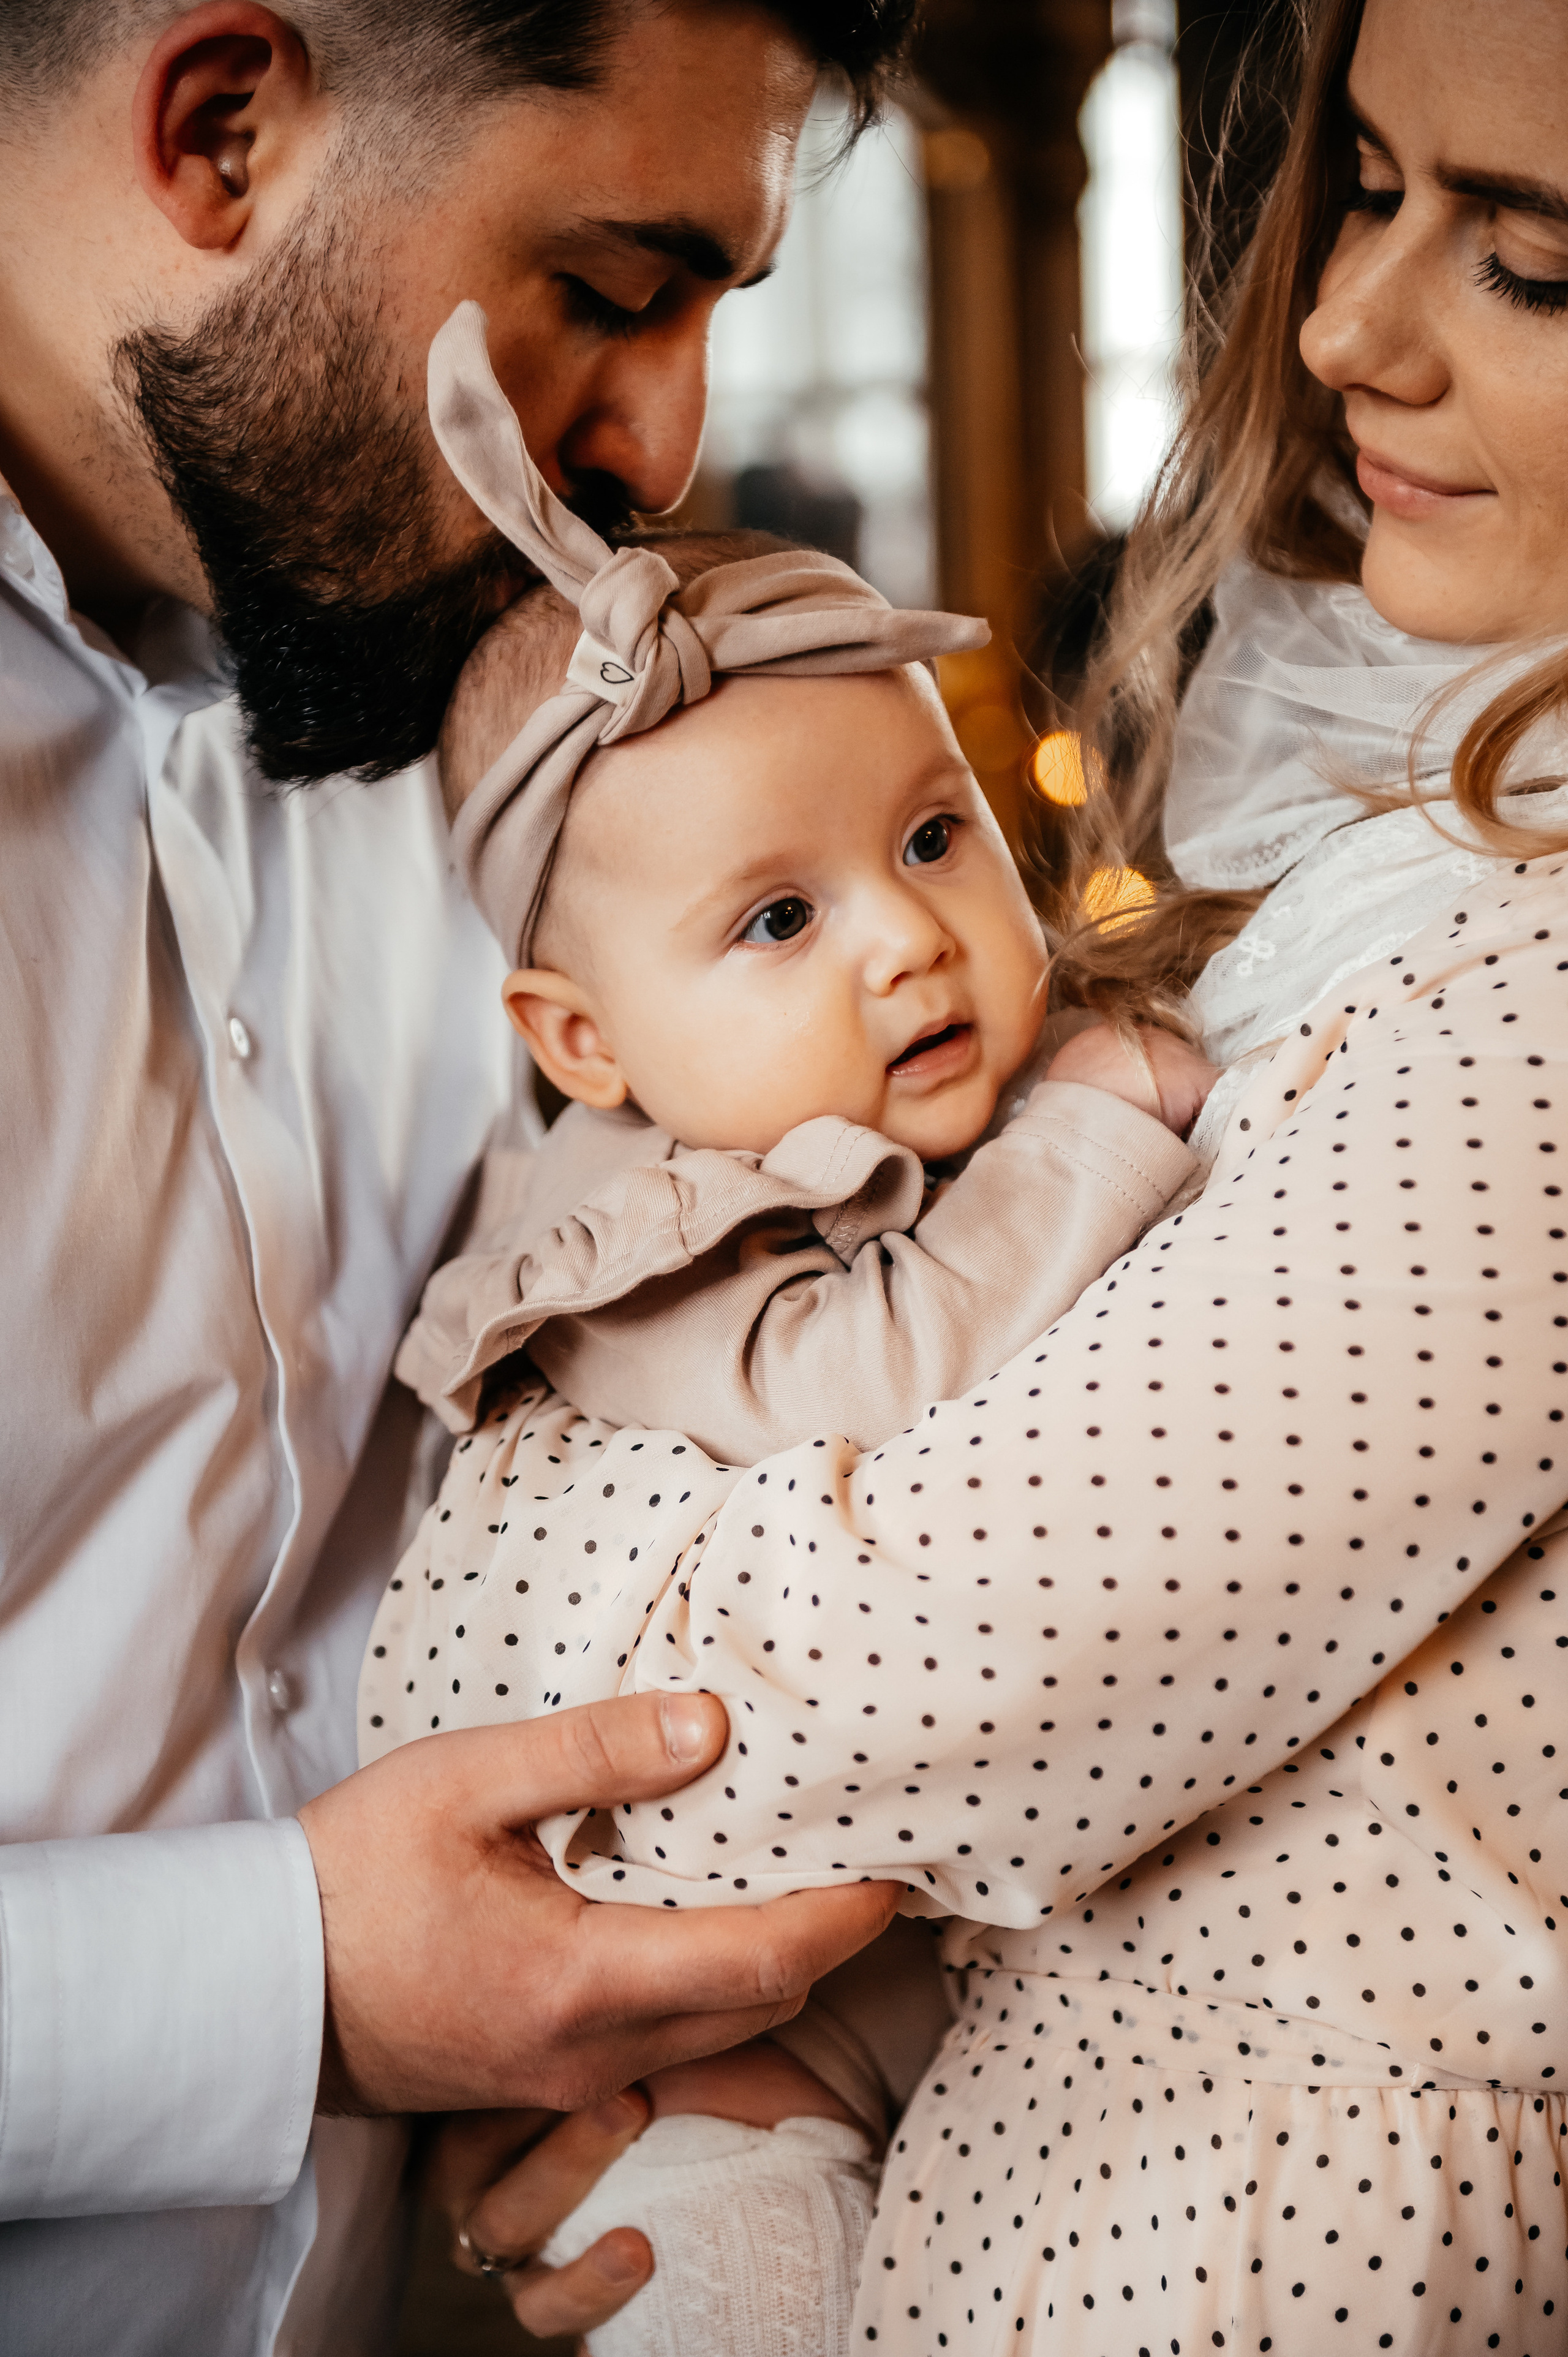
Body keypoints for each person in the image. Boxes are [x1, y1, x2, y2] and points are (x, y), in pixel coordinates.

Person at [443, 0, 1568, 2344]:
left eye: (1531, 261)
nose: (1345, 322)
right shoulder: (1406, 859)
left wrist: (422, 1846)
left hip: (1250, 2254)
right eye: (1364, 186)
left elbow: (894, 1687)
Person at [0, 4, 918, 2351]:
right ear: (224, 130)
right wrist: (296, 1987)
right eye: (610, 291)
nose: (666, 440)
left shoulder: (480, 716)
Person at [355, 305, 1213, 2353]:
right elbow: (882, 1376)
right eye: (777, 920)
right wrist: (1091, 1131)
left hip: (917, 2003)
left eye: (934, 837)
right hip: (699, 2086)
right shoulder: (636, 1221)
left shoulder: (850, 1104)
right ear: (588, 1043)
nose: (913, 934)